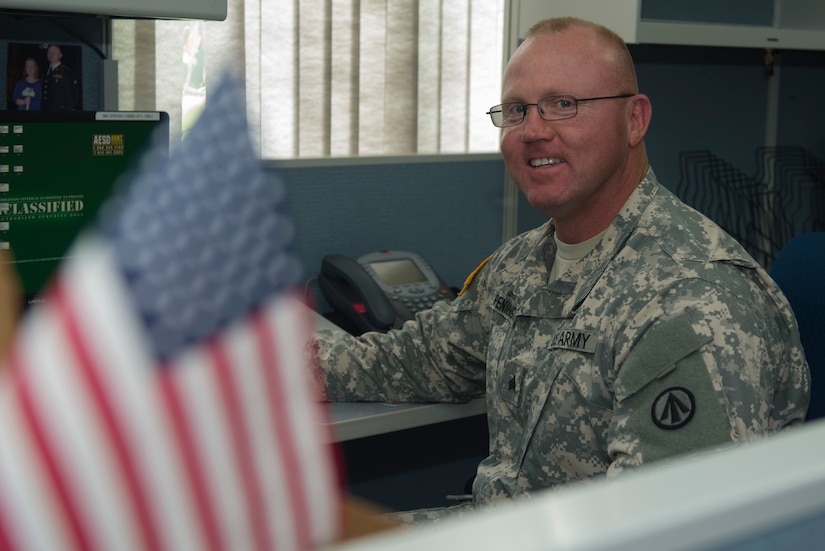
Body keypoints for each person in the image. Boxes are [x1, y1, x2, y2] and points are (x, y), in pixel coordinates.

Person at [308, 17, 810, 522]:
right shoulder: (523, 263)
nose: (532, 131)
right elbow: (422, 361)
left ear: (634, 120)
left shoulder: (693, 300)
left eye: (563, 105)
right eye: (516, 110)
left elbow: (664, 531)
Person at [41, 44, 79, 111]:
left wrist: (71, 109)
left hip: (61, 110)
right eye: (49, 53)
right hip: (46, 110)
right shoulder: (45, 71)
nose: (51, 55)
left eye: (54, 53)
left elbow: (73, 93)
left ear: (60, 55)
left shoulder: (66, 72)